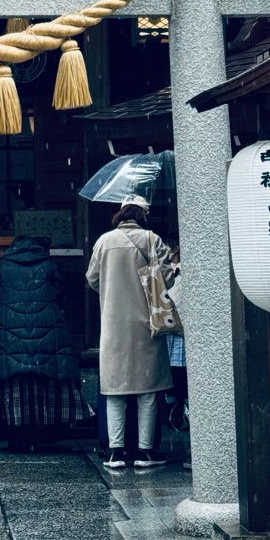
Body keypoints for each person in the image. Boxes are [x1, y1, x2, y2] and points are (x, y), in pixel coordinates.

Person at [0, 231, 91, 451]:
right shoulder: (47, 263)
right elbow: (59, 294)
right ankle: (41, 431)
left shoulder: (3, 263)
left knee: (13, 380)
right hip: (46, 325)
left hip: (9, 326)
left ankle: (16, 432)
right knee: (44, 377)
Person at [86, 195, 173, 471]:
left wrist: (111, 292)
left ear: (120, 214)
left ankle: (115, 452)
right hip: (146, 324)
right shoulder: (152, 239)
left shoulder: (104, 241)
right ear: (143, 215)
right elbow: (168, 279)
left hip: (113, 326)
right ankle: (145, 453)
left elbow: (92, 278)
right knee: (147, 392)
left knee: (115, 391)